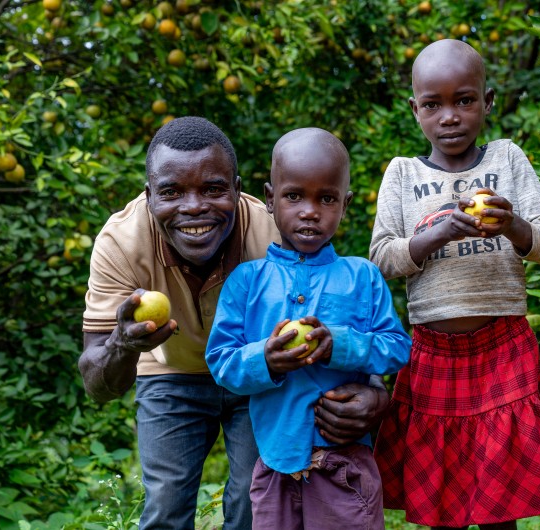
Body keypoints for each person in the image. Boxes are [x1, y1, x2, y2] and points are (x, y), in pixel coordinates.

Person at [78, 116, 390, 530]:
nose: (194, 207)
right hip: (171, 372)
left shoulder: (276, 231)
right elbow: (96, 383)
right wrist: (124, 343)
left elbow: (341, 320)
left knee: (251, 500)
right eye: (171, 192)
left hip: (261, 374)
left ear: (238, 189)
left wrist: (375, 393)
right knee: (166, 505)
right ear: (149, 195)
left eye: (213, 189)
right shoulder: (121, 242)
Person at [369, 39, 540, 530]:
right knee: (442, 495)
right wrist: (432, 236)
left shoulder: (507, 158)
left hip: (504, 345)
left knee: (501, 495)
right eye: (433, 105)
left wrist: (513, 226)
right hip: (433, 349)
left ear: (488, 101)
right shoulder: (402, 173)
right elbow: (381, 258)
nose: (450, 116)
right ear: (415, 110)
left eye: (465, 100)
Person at [204, 127, 412, 530]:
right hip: (275, 463)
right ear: (270, 198)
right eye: (294, 196)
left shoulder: (362, 276)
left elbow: (396, 347)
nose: (310, 211)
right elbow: (222, 362)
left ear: (345, 204)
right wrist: (266, 359)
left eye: (327, 198)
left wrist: (340, 344)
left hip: (346, 466)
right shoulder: (247, 281)